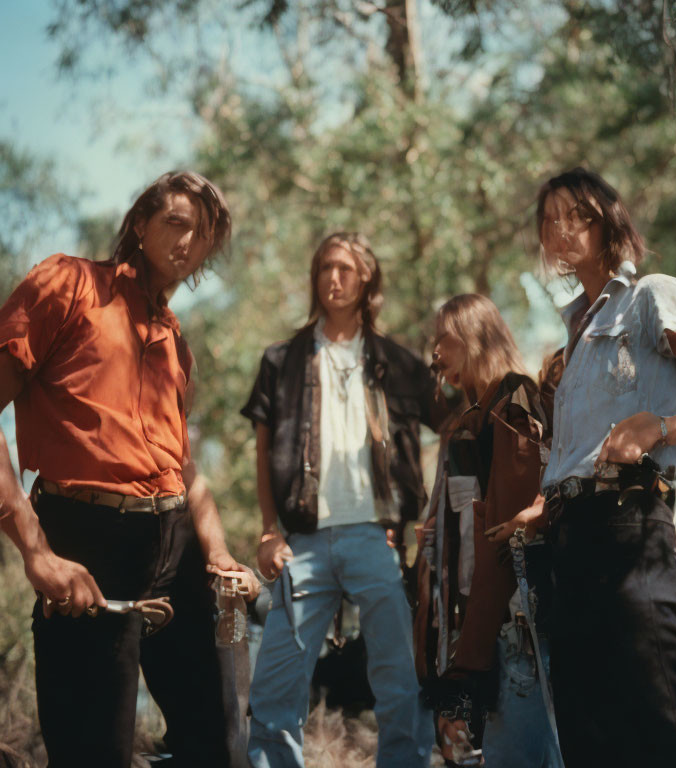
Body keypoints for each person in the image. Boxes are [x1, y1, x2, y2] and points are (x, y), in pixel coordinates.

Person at [0, 170, 259, 768]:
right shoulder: (68, 284)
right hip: (84, 535)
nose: (188, 242)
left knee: (217, 743)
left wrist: (217, 551)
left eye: (203, 234)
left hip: (175, 543)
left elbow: (185, 465)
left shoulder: (174, 341)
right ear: (140, 225)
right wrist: (36, 552)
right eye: (175, 223)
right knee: (95, 749)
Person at [535, 166, 676, 768]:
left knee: (665, 718)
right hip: (568, 541)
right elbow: (579, 449)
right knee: (588, 734)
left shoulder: (652, 296)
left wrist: (661, 427)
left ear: (607, 218)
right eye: (549, 220)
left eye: (575, 215)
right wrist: (543, 501)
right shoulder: (573, 330)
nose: (561, 229)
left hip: (629, 527)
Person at [241, 231, 445, 768]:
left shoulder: (396, 363)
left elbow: (454, 426)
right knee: (275, 691)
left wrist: (434, 514)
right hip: (303, 543)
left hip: (376, 538)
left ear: (366, 280)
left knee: (401, 683)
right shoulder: (281, 361)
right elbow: (263, 452)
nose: (334, 278)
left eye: (346, 269)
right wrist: (268, 530)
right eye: (325, 268)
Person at [413, 294, 562, 768]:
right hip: (492, 632)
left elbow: (510, 543)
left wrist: (466, 670)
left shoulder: (513, 404)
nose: (435, 354)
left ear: (473, 335)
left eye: (443, 339)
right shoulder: (470, 419)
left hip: (517, 630)